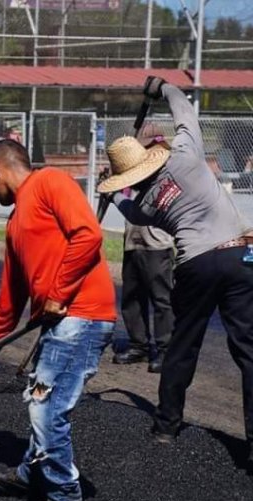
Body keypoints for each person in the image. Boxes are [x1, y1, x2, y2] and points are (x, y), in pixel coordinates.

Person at [97, 77, 253, 459]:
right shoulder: (185, 155)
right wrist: (163, 87)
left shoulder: (149, 204)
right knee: (248, 349)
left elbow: (130, 209)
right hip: (239, 256)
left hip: (195, 264)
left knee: (183, 344)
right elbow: (184, 110)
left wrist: (113, 193)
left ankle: (167, 425)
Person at [0, 139, 117, 501]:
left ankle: (64, 498)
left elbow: (88, 235)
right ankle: (30, 473)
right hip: (62, 322)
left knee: (47, 408)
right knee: (40, 398)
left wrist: (58, 293)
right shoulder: (14, 222)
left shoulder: (52, 181)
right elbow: (13, 292)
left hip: (83, 316)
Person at [112, 126, 174, 374]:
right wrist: (113, 190)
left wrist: (116, 196)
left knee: (162, 299)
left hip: (157, 245)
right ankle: (139, 344)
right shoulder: (131, 173)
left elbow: (142, 210)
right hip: (133, 243)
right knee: (132, 298)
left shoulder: (164, 175)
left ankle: (166, 349)